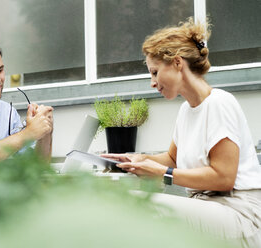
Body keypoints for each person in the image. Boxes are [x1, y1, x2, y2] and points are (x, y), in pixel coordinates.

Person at [102, 18, 261, 247]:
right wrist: (137, 159)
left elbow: (224, 177)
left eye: (155, 72)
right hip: (208, 207)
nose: (152, 82)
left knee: (137, 204)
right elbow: (172, 159)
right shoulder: (187, 110)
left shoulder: (219, 103)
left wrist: (163, 173)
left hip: (239, 213)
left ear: (177, 63)